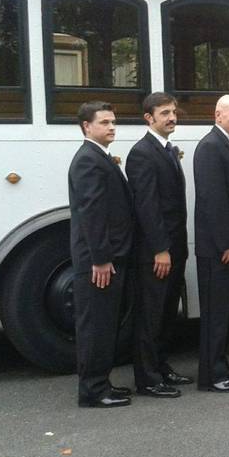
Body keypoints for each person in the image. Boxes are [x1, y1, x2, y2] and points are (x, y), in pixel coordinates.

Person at [68, 101, 134, 408]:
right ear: (86, 127)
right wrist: (101, 258)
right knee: (95, 326)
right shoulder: (88, 160)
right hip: (99, 261)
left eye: (113, 121)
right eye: (104, 122)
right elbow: (91, 213)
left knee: (105, 324)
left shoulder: (99, 157)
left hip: (107, 257)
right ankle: (93, 390)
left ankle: (101, 383)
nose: (111, 127)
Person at [125, 92, 190, 399]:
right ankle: (148, 378)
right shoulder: (142, 153)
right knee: (150, 315)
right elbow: (147, 207)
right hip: (157, 252)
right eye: (164, 113)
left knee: (166, 313)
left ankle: (162, 367)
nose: (171, 117)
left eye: (173, 112)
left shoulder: (166, 149)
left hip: (175, 248)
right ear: (148, 118)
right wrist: (160, 250)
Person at [192, 95, 229, 393]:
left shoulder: (228, 145)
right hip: (220, 248)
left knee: (224, 311)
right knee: (215, 313)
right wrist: (227, 242)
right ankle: (211, 375)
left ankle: (220, 366)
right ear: (218, 115)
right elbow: (213, 200)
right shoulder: (211, 146)